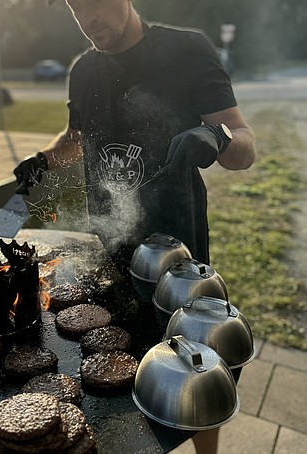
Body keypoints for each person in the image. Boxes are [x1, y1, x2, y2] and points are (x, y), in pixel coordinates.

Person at [14, 1, 256, 453]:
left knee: (196, 368)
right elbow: (75, 140)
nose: (87, 19)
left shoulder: (186, 49)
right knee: (110, 363)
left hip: (177, 257)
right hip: (107, 247)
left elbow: (244, 145)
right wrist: (43, 160)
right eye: (74, 6)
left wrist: (217, 136)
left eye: (95, 2)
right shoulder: (84, 69)